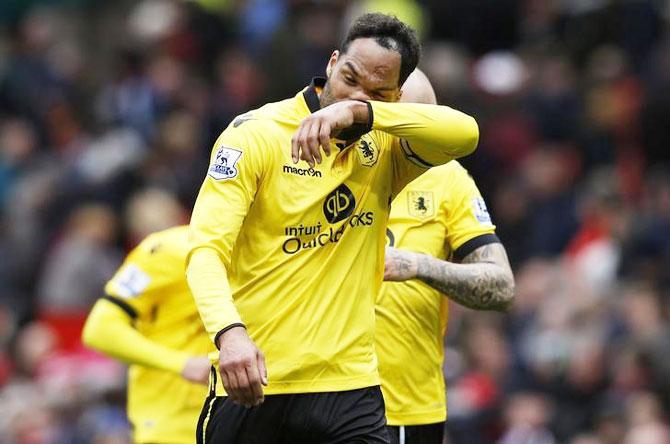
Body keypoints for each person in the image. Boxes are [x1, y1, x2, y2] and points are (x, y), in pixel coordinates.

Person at [186, 13, 479, 443]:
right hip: (260, 378)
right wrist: (229, 335)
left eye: (377, 91)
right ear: (332, 61)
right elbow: (205, 251)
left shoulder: (385, 147)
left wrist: (361, 112)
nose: (354, 93)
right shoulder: (255, 135)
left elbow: (465, 133)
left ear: (395, 98)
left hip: (350, 387)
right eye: (349, 78)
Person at [378, 70, 515, 444]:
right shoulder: (325, 165)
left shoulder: (448, 179)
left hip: (404, 407)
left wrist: (420, 265)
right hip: (318, 394)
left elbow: (502, 286)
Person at [82, 225, 214, 444]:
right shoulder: (165, 250)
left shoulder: (270, 253)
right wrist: (184, 364)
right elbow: (100, 328)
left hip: (245, 418)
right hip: (173, 423)